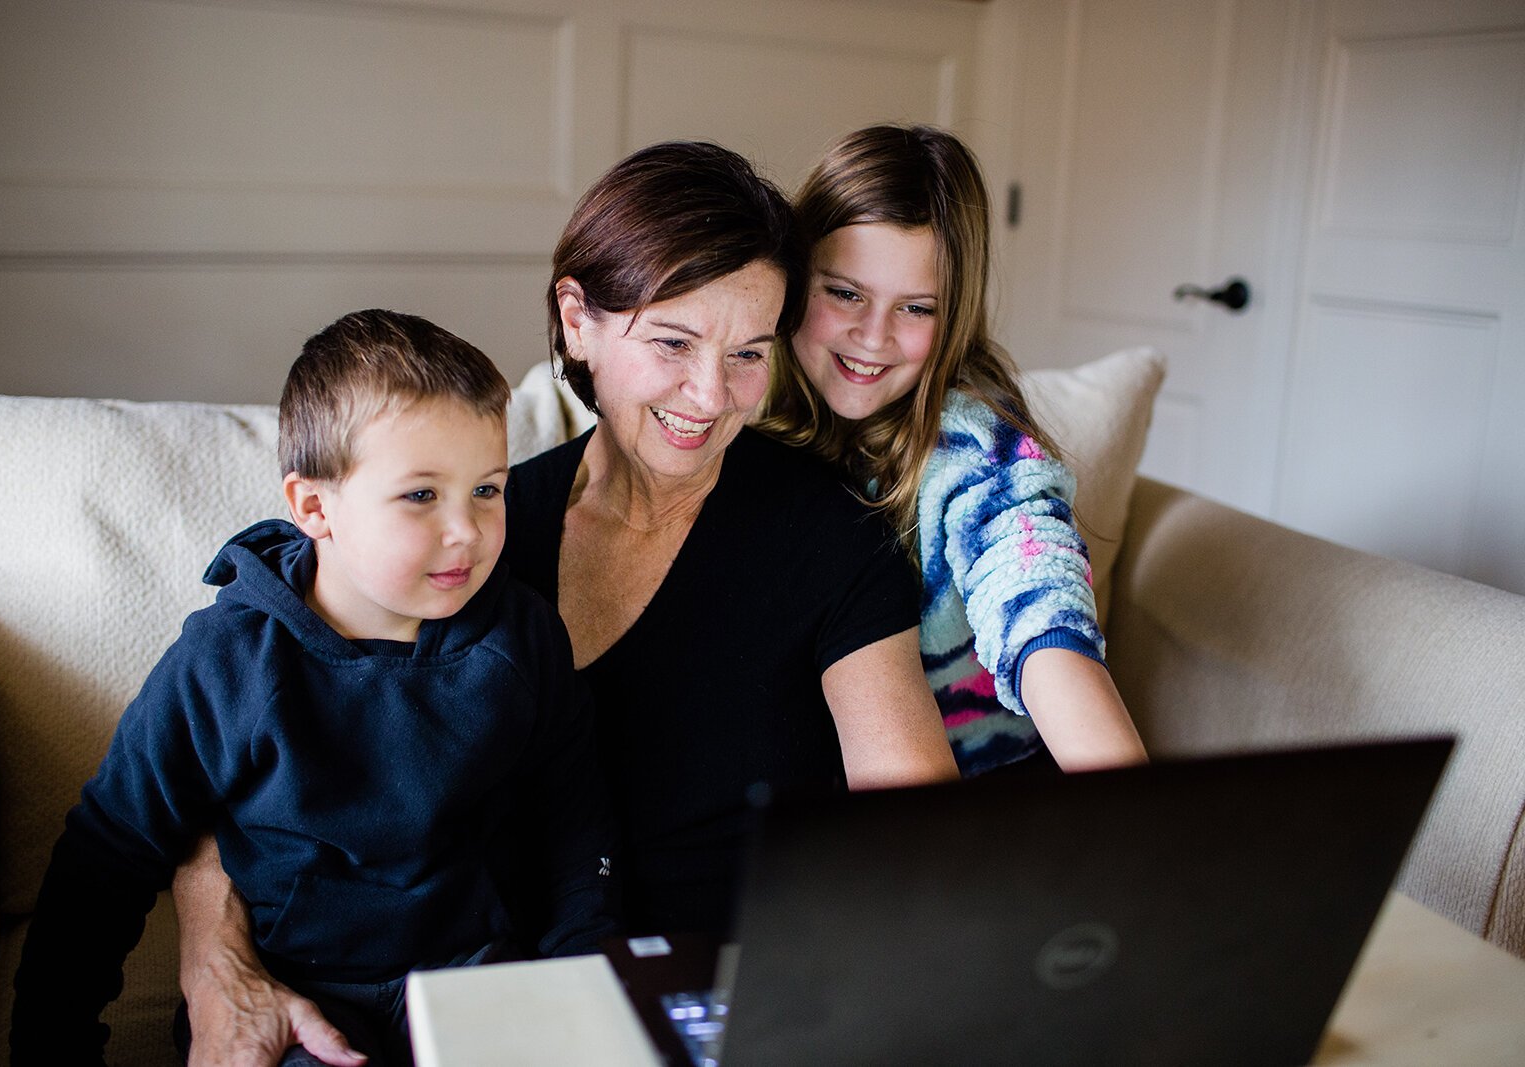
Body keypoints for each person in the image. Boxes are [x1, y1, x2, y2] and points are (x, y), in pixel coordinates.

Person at [169, 142, 959, 1067]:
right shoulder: (471, 527)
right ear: (577, 318)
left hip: (720, 998)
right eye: (671, 341)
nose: (711, 396)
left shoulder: (826, 532)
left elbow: (912, 828)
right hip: (482, 994)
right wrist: (213, 952)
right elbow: (248, 733)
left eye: (749, 352)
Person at [11, 310, 619, 1067]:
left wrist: (579, 991)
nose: (466, 530)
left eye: (488, 489)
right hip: (303, 1000)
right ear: (313, 507)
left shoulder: (520, 638)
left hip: (475, 981)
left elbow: (575, 828)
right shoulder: (228, 660)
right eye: (421, 496)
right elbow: (108, 851)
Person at [759, 124, 1147, 776]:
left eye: (915, 308)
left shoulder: (971, 448)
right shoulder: (743, 398)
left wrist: (1139, 816)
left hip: (977, 807)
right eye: (845, 292)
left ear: (956, 314)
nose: (872, 336)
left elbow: (1034, 591)